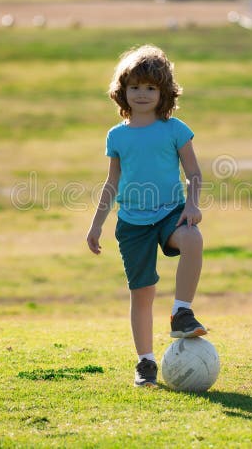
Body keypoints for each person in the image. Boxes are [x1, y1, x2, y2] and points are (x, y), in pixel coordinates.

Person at [86, 44, 207, 388]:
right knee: (142, 293)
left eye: (150, 88)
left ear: (163, 92)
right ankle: (145, 363)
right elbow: (112, 183)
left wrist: (192, 204)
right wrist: (96, 224)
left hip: (171, 213)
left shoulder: (175, 129)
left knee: (193, 239)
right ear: (122, 91)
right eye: (134, 87)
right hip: (133, 225)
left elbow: (194, 173)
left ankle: (182, 311)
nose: (141, 94)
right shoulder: (117, 136)